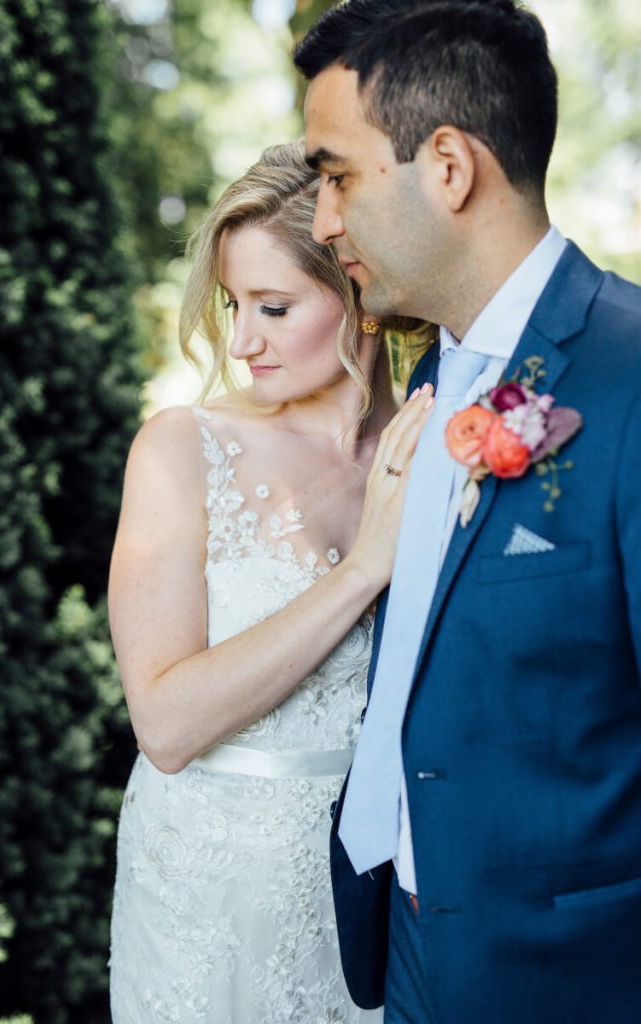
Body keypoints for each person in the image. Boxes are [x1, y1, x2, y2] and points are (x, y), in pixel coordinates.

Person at [294, 2, 641, 1023]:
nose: (320, 220)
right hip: (405, 936)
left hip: (569, 973)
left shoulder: (627, 376)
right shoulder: (424, 377)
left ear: (446, 165)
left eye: (336, 174)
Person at [108, 140, 435, 1023]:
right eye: (231, 302)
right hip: (204, 894)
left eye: (274, 306)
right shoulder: (181, 449)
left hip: (376, 899)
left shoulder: (429, 444)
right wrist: (366, 566)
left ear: (359, 296)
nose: (240, 339)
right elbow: (166, 726)